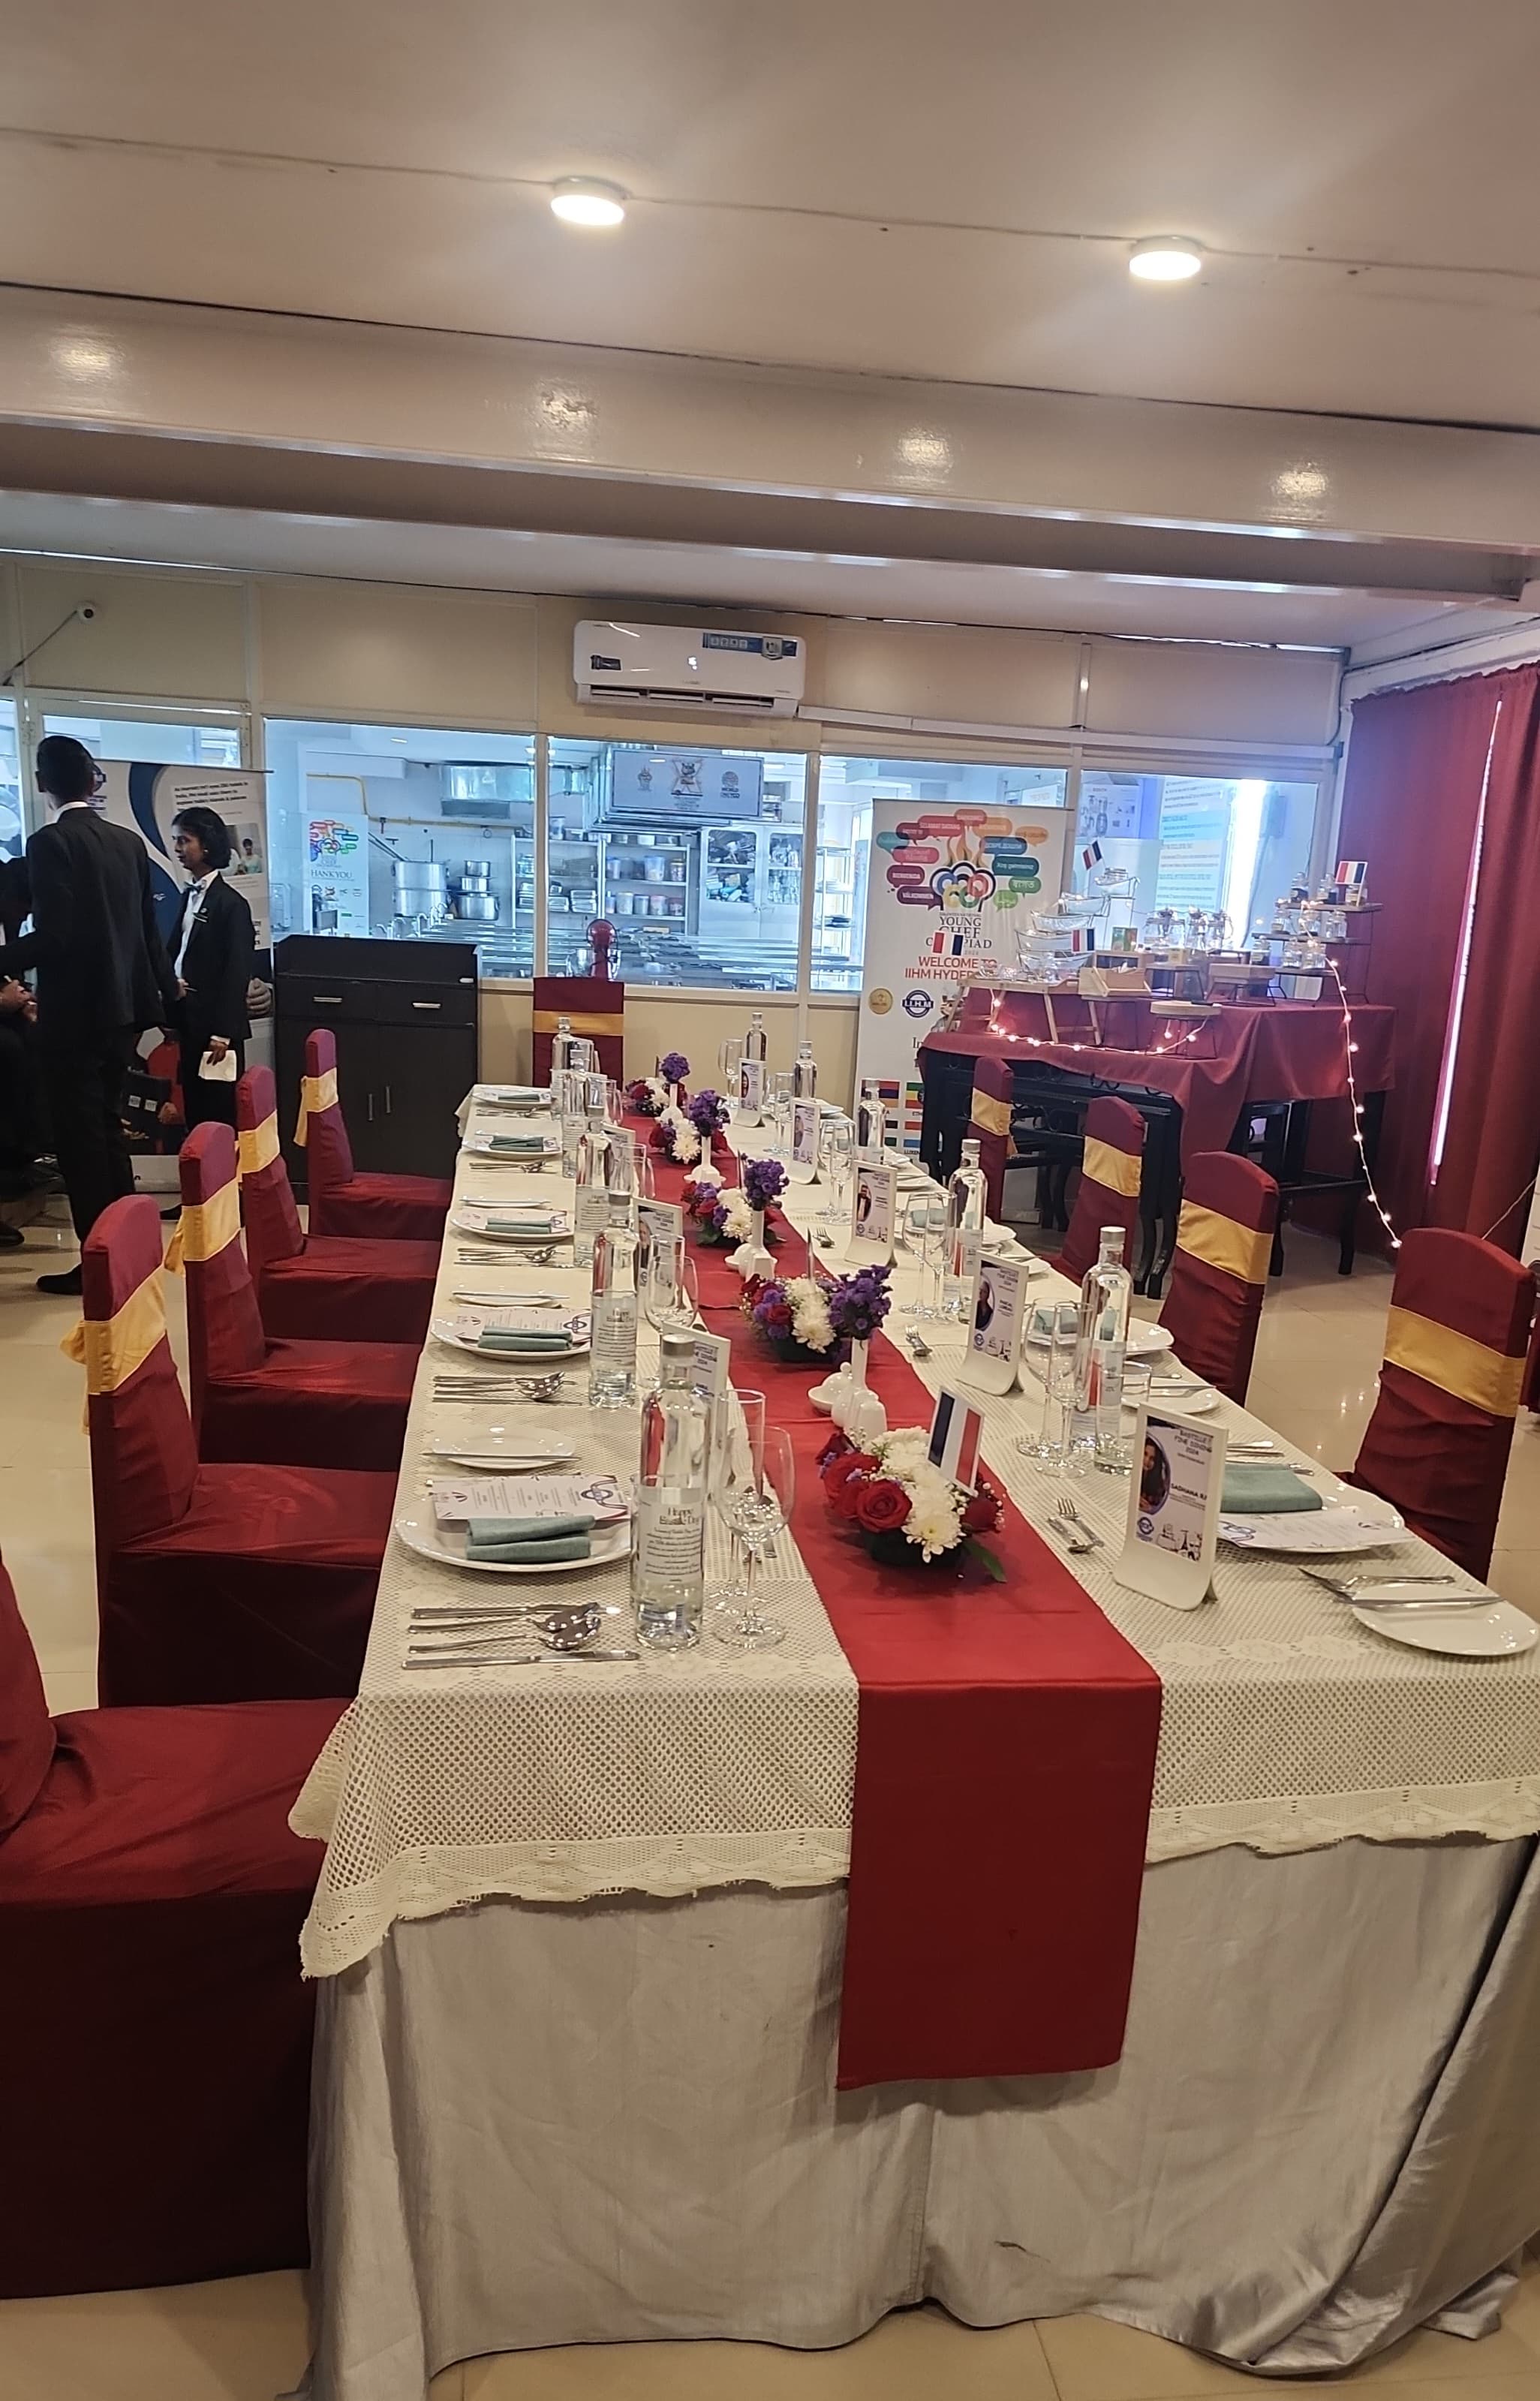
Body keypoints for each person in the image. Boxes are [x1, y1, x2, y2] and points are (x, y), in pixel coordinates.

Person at [16, 736, 178, 1295]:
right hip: (124, 1012)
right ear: (93, 782)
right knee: (108, 1132)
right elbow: (147, 933)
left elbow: (55, 936)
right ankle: (128, 1251)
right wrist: (167, 997)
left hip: (75, 1016)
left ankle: (98, 1268)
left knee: (81, 1143)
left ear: (43, 783)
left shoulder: (49, 842)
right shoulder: (127, 843)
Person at [167, 805, 254, 1133]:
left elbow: (236, 971)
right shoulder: (188, 895)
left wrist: (223, 1032)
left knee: (217, 1112)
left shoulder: (231, 904)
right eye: (176, 840)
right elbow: (177, 952)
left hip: (216, 1027)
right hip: (189, 1017)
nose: (178, 848)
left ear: (206, 845)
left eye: (184, 840)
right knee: (194, 1107)